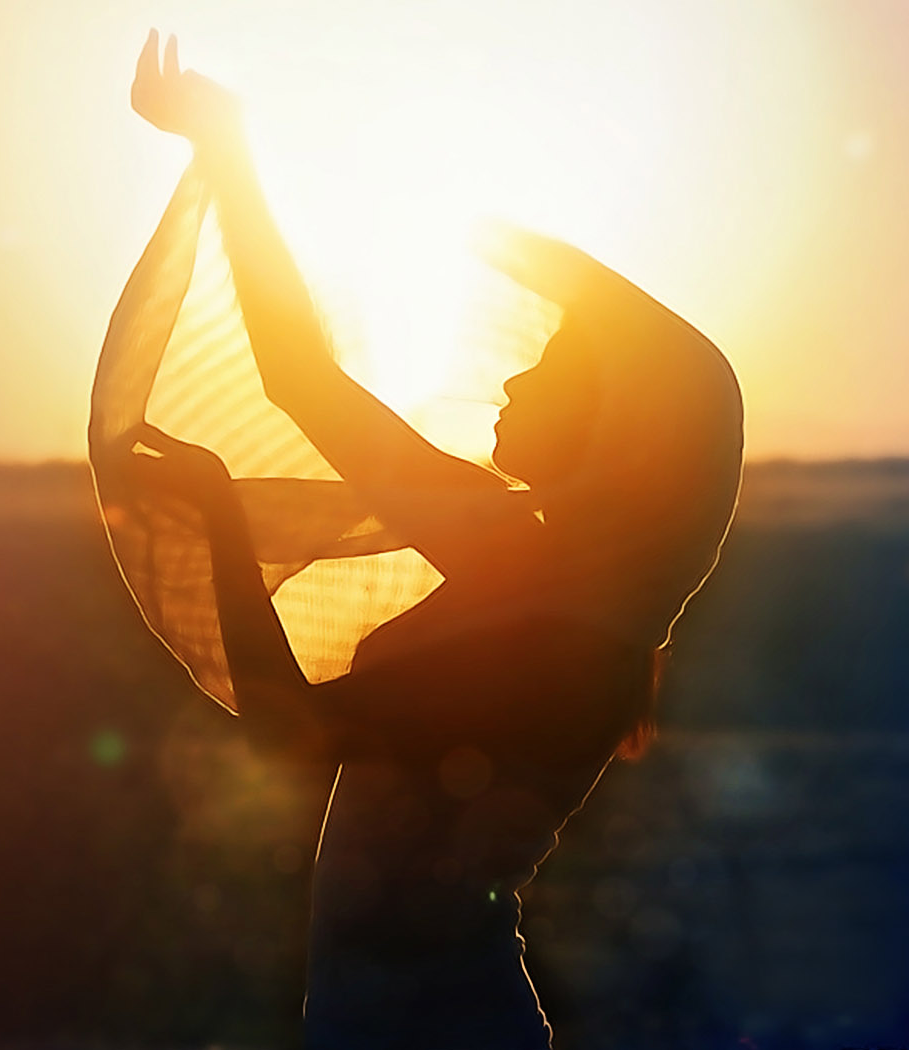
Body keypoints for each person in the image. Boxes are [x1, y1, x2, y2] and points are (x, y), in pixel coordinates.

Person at [117, 31, 744, 1048]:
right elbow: (301, 380)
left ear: (612, 425)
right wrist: (227, 151)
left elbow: (290, 730)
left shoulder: (569, 630)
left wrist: (225, 523)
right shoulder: (514, 552)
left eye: (550, 367)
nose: (510, 378)